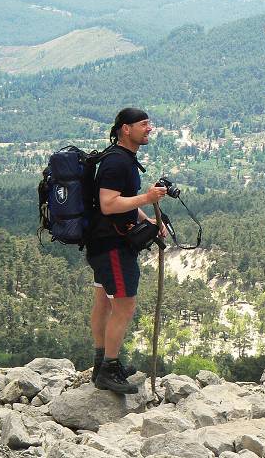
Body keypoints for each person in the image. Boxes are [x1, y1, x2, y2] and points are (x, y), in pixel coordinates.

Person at [86, 107, 167, 394]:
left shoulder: (120, 158)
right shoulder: (117, 163)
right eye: (144, 124)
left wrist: (149, 219)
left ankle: (101, 363)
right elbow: (109, 203)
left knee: (103, 302)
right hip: (113, 247)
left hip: (102, 242)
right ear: (125, 129)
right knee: (124, 305)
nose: (149, 129)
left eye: (149, 124)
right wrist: (147, 197)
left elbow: (123, 201)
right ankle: (108, 369)